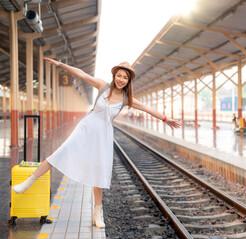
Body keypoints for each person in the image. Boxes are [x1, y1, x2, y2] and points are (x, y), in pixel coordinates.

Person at [11, 58, 181, 228]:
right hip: (85, 129)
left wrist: (166, 119)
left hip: (103, 136)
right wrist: (61, 65)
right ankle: (28, 182)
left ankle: (97, 213)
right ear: (114, 75)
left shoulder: (126, 99)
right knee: (61, 152)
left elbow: (148, 108)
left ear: (129, 81)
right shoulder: (102, 86)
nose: (121, 80)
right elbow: (82, 74)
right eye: (119, 76)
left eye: (125, 78)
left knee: (99, 172)